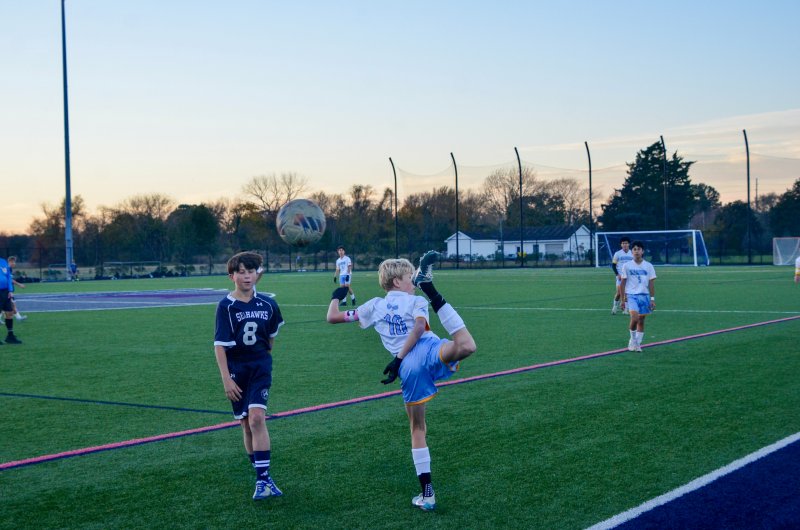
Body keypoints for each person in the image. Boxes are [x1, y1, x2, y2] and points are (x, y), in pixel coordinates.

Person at [326, 251, 477, 511]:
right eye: (410, 278)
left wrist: (335, 298)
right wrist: (398, 358)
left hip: (409, 368)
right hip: (425, 351)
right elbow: (419, 328)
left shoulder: (373, 306)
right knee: (466, 345)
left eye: (414, 280)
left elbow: (333, 317)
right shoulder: (414, 301)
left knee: (418, 428)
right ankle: (431, 288)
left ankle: (427, 494)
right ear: (397, 281)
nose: (411, 283)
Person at [214, 251, 284, 500]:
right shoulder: (226, 306)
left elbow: (270, 339)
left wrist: (260, 361)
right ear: (232, 276)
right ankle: (261, 472)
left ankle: (263, 481)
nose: (246, 276)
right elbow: (220, 345)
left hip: (260, 367)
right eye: (241, 272)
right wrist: (226, 378)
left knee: (256, 418)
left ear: (258, 274)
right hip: (236, 370)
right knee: (245, 423)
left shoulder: (268, 304)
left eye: (251, 271)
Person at [619, 241, 657, 352]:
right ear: (632, 252)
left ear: (642, 251)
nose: (636, 251)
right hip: (631, 296)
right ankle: (633, 340)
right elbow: (622, 283)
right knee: (634, 318)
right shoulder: (627, 266)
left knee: (641, 320)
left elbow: (651, 283)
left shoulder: (648, 266)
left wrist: (652, 299)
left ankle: (638, 343)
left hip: (644, 295)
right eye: (634, 249)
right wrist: (622, 299)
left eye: (638, 249)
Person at [0, 257, 22, 344]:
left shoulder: (3, 261)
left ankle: (10, 336)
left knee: (9, 313)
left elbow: (8, 276)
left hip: (5, 291)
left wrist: (10, 290)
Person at [610, 236, 634, 315]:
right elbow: (613, 265)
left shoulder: (632, 253)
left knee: (627, 293)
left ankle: (625, 309)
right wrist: (617, 274)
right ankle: (614, 307)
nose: (624, 245)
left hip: (629, 277)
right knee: (619, 293)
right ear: (621, 245)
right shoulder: (617, 253)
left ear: (629, 244)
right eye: (623, 243)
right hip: (620, 277)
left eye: (626, 243)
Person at [7, 256, 27, 321]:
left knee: (11, 304)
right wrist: (19, 284)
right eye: (13, 262)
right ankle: (19, 318)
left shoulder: (9, 269)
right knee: (12, 304)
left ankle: (18, 317)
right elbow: (10, 280)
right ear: (9, 262)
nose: (14, 263)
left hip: (8, 290)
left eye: (14, 262)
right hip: (7, 290)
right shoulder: (8, 269)